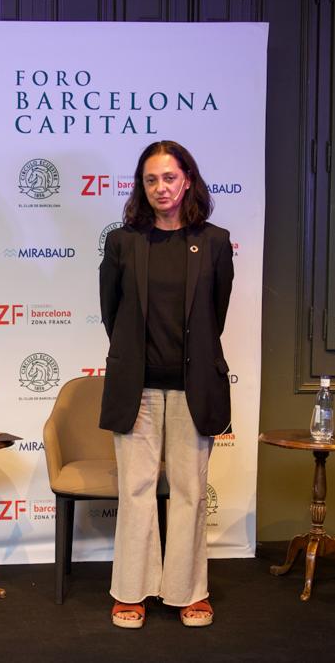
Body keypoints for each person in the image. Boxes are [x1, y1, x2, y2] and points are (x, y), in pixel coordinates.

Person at [98, 140, 234, 630]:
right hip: (135, 388)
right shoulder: (122, 242)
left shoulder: (214, 242)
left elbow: (215, 315)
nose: (161, 188)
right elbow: (111, 314)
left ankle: (188, 592)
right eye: (151, 179)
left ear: (188, 180)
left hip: (193, 388)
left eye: (170, 178)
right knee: (135, 491)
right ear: (142, 186)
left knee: (190, 491)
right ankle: (131, 591)